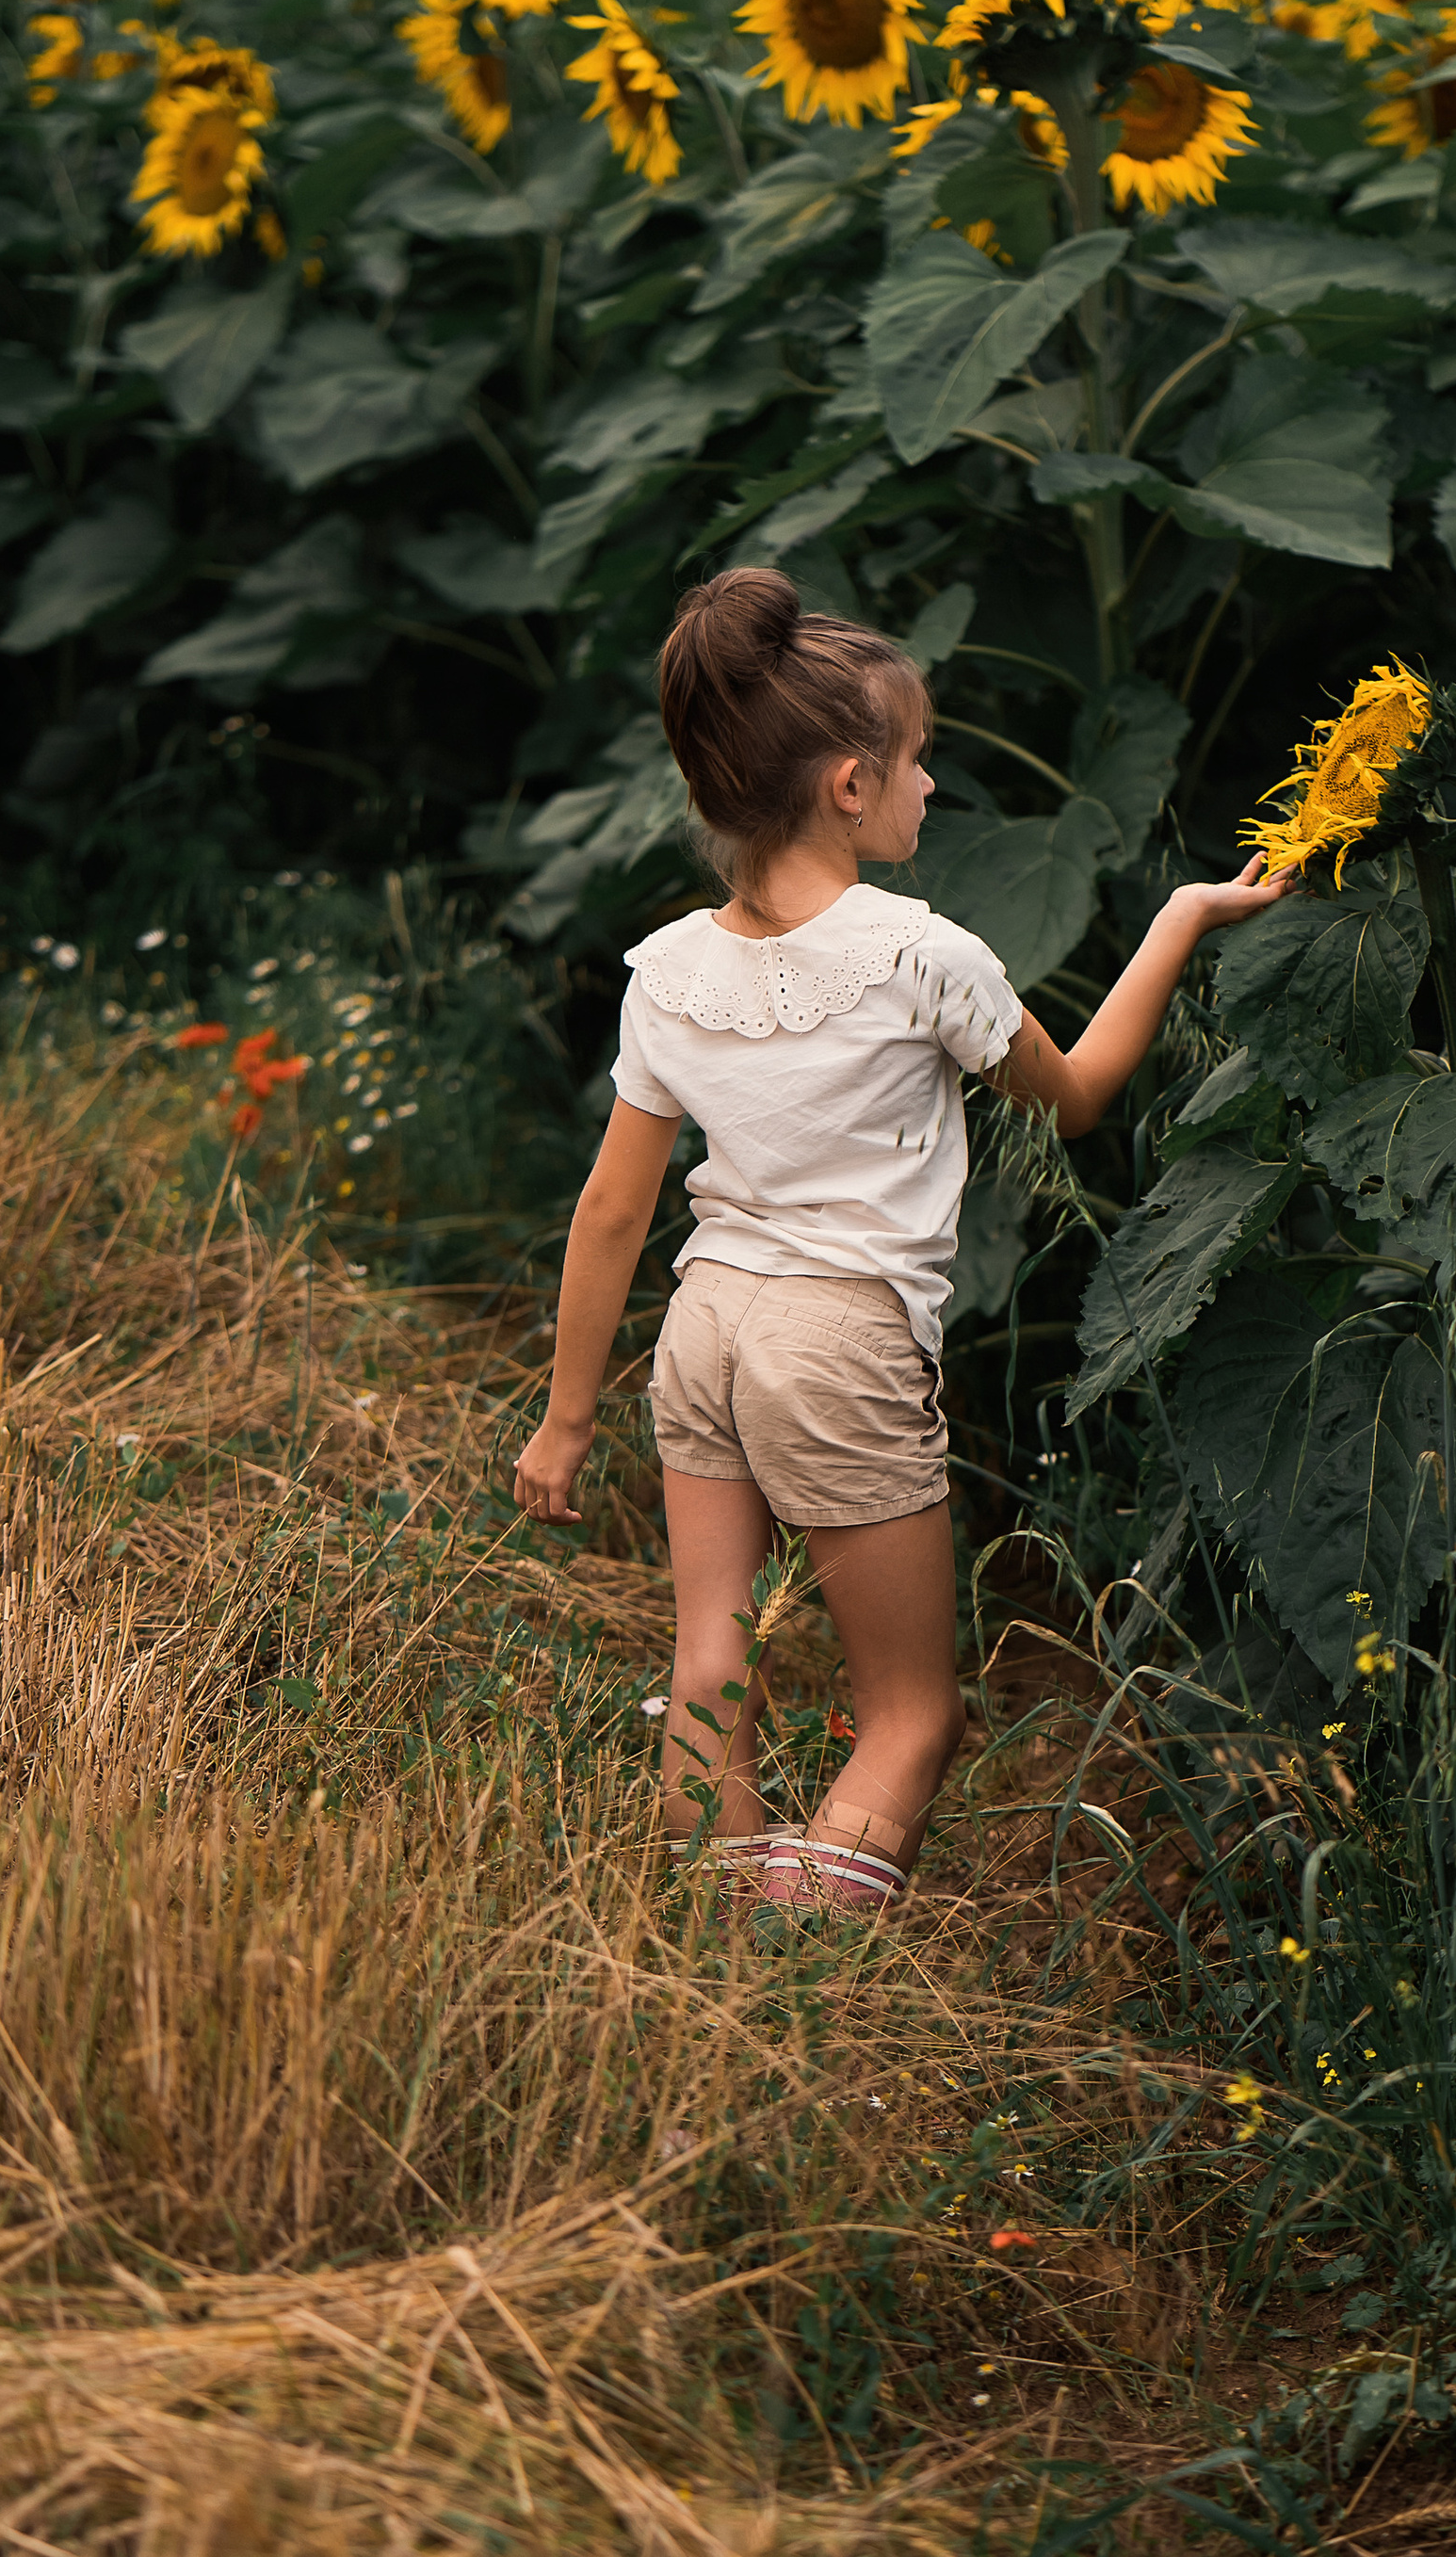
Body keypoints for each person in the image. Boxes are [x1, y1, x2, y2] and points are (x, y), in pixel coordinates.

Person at [511, 565, 1290, 1912]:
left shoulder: (669, 968)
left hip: (705, 1330)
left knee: (712, 1658)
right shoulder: (920, 953)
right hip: (840, 1339)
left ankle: (709, 1959)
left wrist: (567, 1419)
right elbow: (1083, 1096)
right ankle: (800, 1978)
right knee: (911, 1718)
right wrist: (1180, 919)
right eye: (918, 760)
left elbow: (612, 1209)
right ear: (848, 787)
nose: (933, 787)